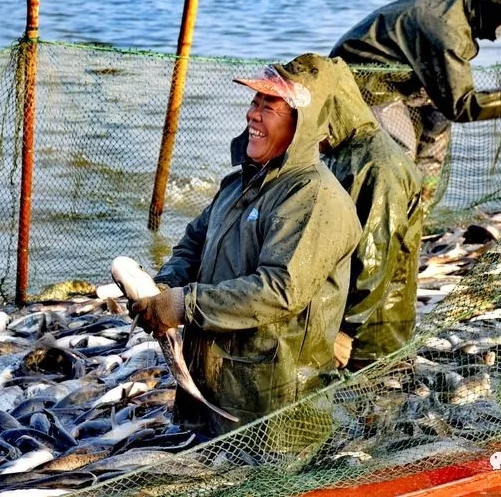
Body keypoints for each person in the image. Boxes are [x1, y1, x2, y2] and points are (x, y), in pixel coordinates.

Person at [131, 53, 362, 442]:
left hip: (274, 407)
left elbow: (279, 289)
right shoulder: (237, 184)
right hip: (216, 388)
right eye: (254, 103)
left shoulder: (314, 196)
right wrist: (164, 287)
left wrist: (183, 304)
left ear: (300, 126)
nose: (252, 115)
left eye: (268, 107)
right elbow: (193, 242)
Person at [329, 0, 501, 211]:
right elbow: (461, 107)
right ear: (491, 15)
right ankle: (387, 220)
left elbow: (448, 99)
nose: (499, 37)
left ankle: (418, 210)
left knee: (438, 120)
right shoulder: (449, 37)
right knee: (399, 155)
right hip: (363, 80)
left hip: (401, 75)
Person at [318, 55, 424, 370]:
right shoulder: (343, 150)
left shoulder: (378, 165)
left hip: (372, 336)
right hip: (350, 316)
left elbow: (374, 256)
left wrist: (347, 331)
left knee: (372, 406)